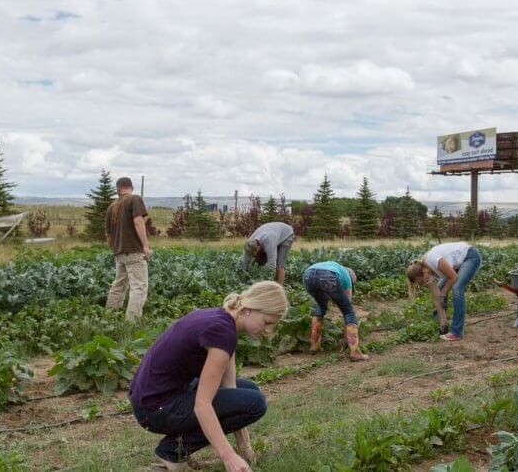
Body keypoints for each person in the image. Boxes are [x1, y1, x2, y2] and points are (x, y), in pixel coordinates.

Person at [129, 281, 289, 471]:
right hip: (154, 408)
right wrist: (229, 457)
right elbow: (202, 405)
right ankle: (172, 453)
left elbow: (229, 388)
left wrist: (244, 446)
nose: (268, 331)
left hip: (155, 396)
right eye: (267, 322)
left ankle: (174, 450)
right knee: (255, 404)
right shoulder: (222, 334)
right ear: (250, 309)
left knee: (250, 392)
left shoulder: (223, 320)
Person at [405, 241, 483, 342]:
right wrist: (443, 323)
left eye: (420, 282)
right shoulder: (426, 273)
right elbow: (436, 296)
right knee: (440, 288)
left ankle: (456, 332)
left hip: (470, 257)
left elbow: (453, 277)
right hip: (457, 264)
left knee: (457, 288)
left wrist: (444, 293)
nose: (422, 284)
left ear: (423, 273)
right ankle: (441, 323)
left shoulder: (433, 260)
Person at [302, 261, 369, 361]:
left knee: (321, 306)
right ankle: (355, 352)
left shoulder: (337, 268)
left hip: (307, 275)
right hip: (327, 276)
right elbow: (346, 307)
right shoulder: (347, 277)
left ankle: (314, 346)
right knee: (348, 311)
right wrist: (346, 333)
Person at [105, 176, 151, 321]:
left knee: (119, 284)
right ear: (131, 187)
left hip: (119, 253)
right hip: (134, 250)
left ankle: (109, 317)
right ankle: (132, 322)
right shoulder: (134, 199)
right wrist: (145, 246)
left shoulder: (111, 207)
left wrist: (115, 249)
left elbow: (108, 234)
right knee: (139, 287)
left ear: (118, 189)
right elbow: (138, 221)